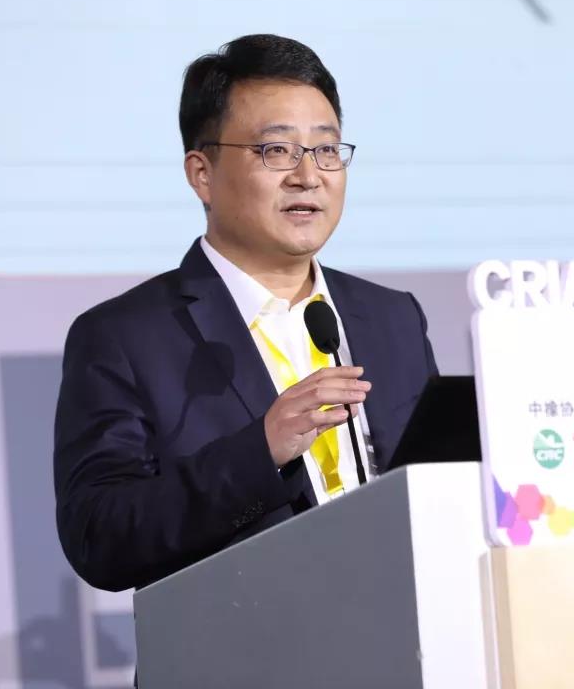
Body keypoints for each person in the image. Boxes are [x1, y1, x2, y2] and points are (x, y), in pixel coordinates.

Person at [54, 34, 438, 592]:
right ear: (202, 174)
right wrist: (260, 451)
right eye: (276, 151)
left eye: (327, 150)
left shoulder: (393, 317)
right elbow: (100, 536)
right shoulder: (124, 337)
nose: (308, 175)